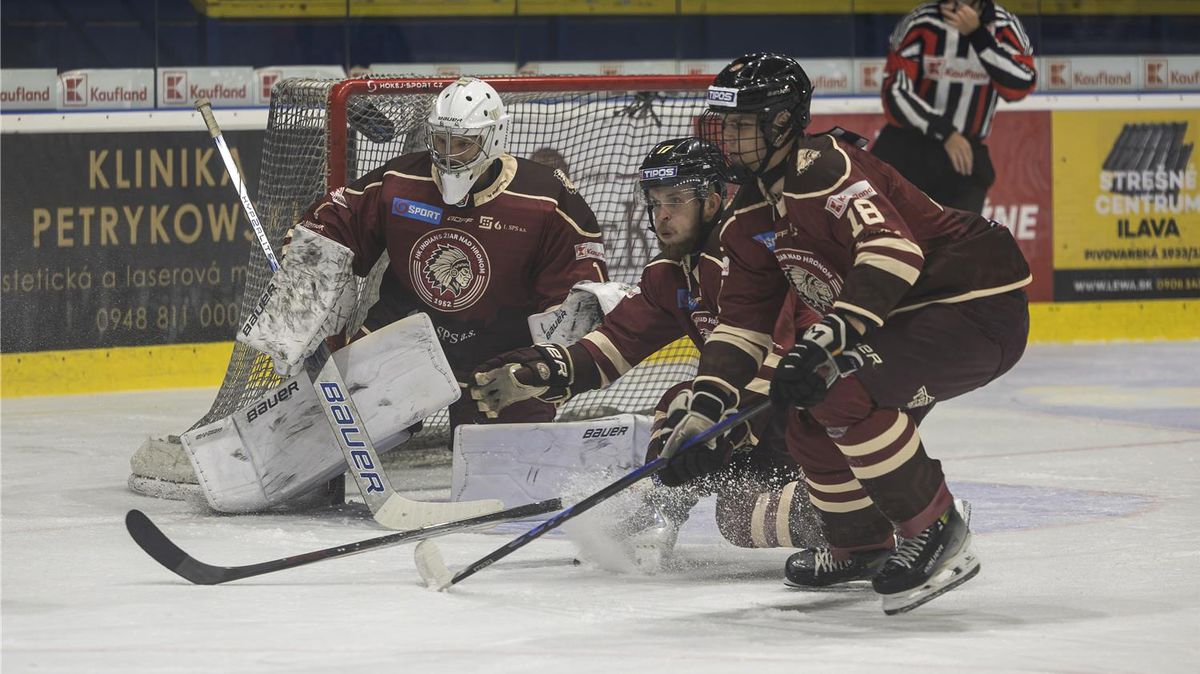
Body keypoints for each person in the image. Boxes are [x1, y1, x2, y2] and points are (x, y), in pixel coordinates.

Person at [660, 52, 1030, 614]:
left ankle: (936, 531)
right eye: (724, 125)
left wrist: (824, 342)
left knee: (838, 388)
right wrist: (702, 415)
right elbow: (740, 328)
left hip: (973, 307)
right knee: (806, 420)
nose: (727, 139)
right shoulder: (752, 214)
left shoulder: (823, 167)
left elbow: (893, 253)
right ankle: (860, 545)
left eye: (741, 125)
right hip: (912, 317)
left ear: (783, 122)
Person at [468, 137, 825, 563]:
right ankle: (667, 510)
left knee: (689, 408)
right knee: (738, 514)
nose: (662, 217)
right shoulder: (671, 275)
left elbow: (773, 362)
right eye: (655, 203)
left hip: (816, 412)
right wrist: (542, 372)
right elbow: (611, 346)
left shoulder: (752, 260)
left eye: (675, 200)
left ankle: (866, 516)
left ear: (712, 202)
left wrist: (718, 433)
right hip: (763, 421)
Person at [255, 76, 609, 431]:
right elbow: (335, 221)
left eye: (464, 144)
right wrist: (301, 285)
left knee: (505, 476)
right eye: (442, 140)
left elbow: (576, 287)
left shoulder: (545, 197)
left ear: (494, 138)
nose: (449, 155)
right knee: (321, 434)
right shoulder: (402, 180)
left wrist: (542, 366)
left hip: (504, 354)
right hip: (400, 335)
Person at [871, 0, 1037, 213]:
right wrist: (945, 132)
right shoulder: (920, 22)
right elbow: (894, 94)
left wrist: (978, 35)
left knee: (959, 242)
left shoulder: (1005, 27)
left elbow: (1021, 85)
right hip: (907, 149)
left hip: (964, 158)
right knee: (887, 239)